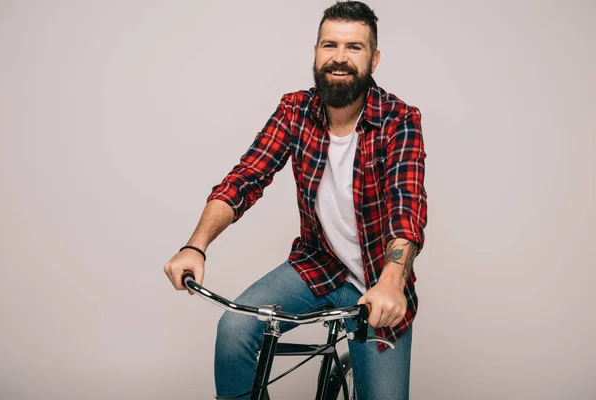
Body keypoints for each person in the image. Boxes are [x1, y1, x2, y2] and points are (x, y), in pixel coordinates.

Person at [163, 1, 427, 398]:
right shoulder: (295, 110)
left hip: (379, 280)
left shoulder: (399, 120)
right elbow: (245, 178)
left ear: (373, 59)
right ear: (316, 52)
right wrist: (194, 246)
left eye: (354, 48)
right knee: (234, 332)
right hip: (317, 265)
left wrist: (393, 282)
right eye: (329, 45)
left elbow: (406, 206)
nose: (339, 58)